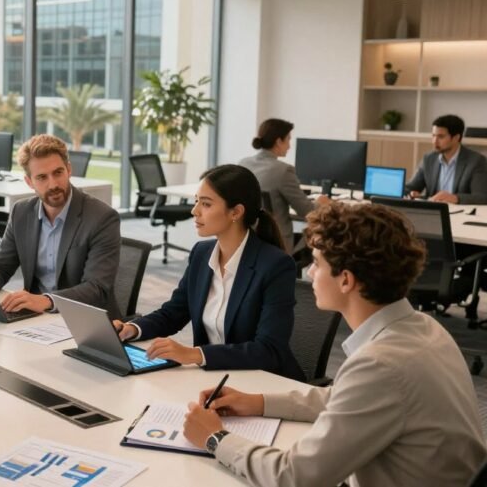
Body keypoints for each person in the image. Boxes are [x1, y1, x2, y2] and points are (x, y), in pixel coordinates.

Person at [183, 203, 487, 487]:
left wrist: (214, 438)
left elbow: (296, 476)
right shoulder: (424, 327)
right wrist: (257, 402)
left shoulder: (381, 364)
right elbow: (346, 399)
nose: (311, 273)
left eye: (316, 263)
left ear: (346, 280)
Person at [113, 165, 304, 380]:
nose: (194, 211)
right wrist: (132, 328)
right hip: (213, 377)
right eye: (196, 201)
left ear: (236, 212)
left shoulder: (275, 266)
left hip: (263, 383)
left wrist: (194, 354)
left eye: (206, 204)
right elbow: (173, 313)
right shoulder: (201, 254)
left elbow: (269, 350)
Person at [0, 134, 122, 319]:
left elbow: (97, 288)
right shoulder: (21, 212)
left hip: (86, 321)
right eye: (42, 177)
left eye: (58, 173)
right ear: (29, 182)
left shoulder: (102, 218)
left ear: (69, 170)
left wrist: (47, 300)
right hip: (36, 319)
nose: (53, 184)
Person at [239, 118, 329, 252]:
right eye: (288, 139)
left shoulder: (243, 164)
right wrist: (321, 202)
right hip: (278, 243)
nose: (289, 146)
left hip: (247, 239)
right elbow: (306, 211)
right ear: (278, 141)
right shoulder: (283, 171)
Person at [407, 114, 487, 204]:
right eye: (433, 136)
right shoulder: (429, 159)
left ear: (456, 137)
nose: (434, 141)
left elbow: (482, 197)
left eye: (440, 137)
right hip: (433, 211)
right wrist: (411, 193)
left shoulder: (476, 161)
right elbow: (411, 187)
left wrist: (455, 198)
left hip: (461, 215)